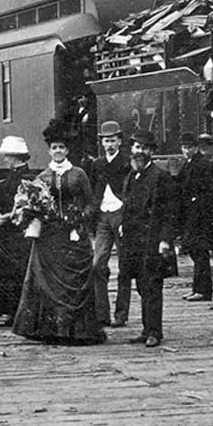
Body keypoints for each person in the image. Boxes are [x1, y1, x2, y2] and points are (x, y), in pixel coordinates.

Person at [12, 120, 105, 345]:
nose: (58, 151)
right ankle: (51, 330)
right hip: (51, 236)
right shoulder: (42, 177)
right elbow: (36, 206)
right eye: (54, 148)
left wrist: (78, 219)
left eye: (62, 148)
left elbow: (92, 203)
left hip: (74, 234)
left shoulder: (79, 174)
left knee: (78, 278)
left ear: (67, 150)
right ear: (49, 150)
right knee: (47, 281)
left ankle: (78, 331)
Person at [116, 130, 175, 347]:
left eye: (144, 148)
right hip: (132, 240)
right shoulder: (132, 175)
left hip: (151, 239)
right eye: (136, 147)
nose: (139, 152)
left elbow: (169, 213)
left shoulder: (160, 176)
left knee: (152, 285)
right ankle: (145, 328)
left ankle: (154, 332)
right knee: (141, 286)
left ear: (151, 151)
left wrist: (165, 240)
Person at [86, 120, 130, 327]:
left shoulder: (126, 162)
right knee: (97, 265)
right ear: (101, 143)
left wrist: (127, 217)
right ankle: (102, 314)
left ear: (119, 141)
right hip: (103, 216)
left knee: (125, 266)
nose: (109, 145)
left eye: (113, 140)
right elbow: (94, 190)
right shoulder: (97, 164)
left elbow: (131, 191)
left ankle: (121, 314)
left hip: (121, 214)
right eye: (106, 141)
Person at [0, 136, 34, 323]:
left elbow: (26, 206)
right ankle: (11, 310)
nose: (5, 159)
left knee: (14, 269)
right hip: (8, 230)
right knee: (7, 268)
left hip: (17, 230)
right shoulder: (16, 174)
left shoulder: (26, 178)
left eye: (6, 156)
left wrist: (3, 217)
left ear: (14, 156)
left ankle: (15, 311)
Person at [177, 132, 213, 302]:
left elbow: (206, 190)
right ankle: (198, 288)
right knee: (196, 252)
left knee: (199, 252)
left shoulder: (202, 164)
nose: (186, 151)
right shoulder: (189, 163)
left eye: (189, 147)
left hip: (200, 214)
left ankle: (203, 290)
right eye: (184, 148)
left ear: (195, 147)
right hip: (192, 213)